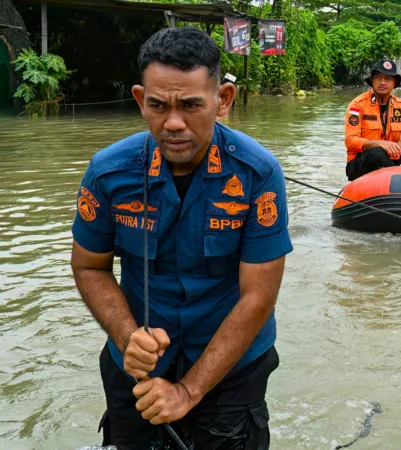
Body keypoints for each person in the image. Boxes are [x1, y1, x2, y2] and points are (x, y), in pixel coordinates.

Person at [70, 27, 292, 449]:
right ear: (140, 100)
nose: (173, 123)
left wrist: (189, 391)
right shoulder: (108, 172)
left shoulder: (258, 174)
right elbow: (89, 265)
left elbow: (258, 297)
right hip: (137, 369)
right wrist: (126, 337)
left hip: (231, 368)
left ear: (222, 100)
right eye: (157, 105)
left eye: (190, 105)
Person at [344, 59, 401, 181]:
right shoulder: (357, 105)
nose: (382, 82)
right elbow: (351, 141)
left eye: (388, 78)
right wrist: (380, 143)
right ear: (372, 81)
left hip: (392, 160)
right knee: (378, 153)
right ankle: (398, 180)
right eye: (378, 77)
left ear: (394, 83)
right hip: (359, 162)